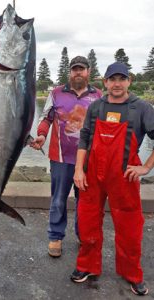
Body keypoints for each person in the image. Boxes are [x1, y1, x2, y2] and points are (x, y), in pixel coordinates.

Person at [71, 62, 154, 296]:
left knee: (129, 228)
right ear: (105, 82)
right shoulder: (96, 107)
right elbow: (85, 139)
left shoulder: (142, 108)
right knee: (87, 222)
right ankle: (86, 266)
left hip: (124, 178)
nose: (117, 84)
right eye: (112, 79)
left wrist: (146, 167)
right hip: (92, 175)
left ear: (129, 81)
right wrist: (79, 170)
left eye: (122, 79)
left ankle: (132, 274)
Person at [31, 56, 102, 257]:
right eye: (74, 69)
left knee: (85, 201)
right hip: (61, 158)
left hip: (88, 160)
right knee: (58, 200)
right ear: (69, 72)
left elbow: (104, 125)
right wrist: (42, 135)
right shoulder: (56, 93)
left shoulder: (98, 95)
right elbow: (46, 118)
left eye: (81, 69)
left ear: (88, 71)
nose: (78, 72)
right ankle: (55, 236)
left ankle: (83, 235)